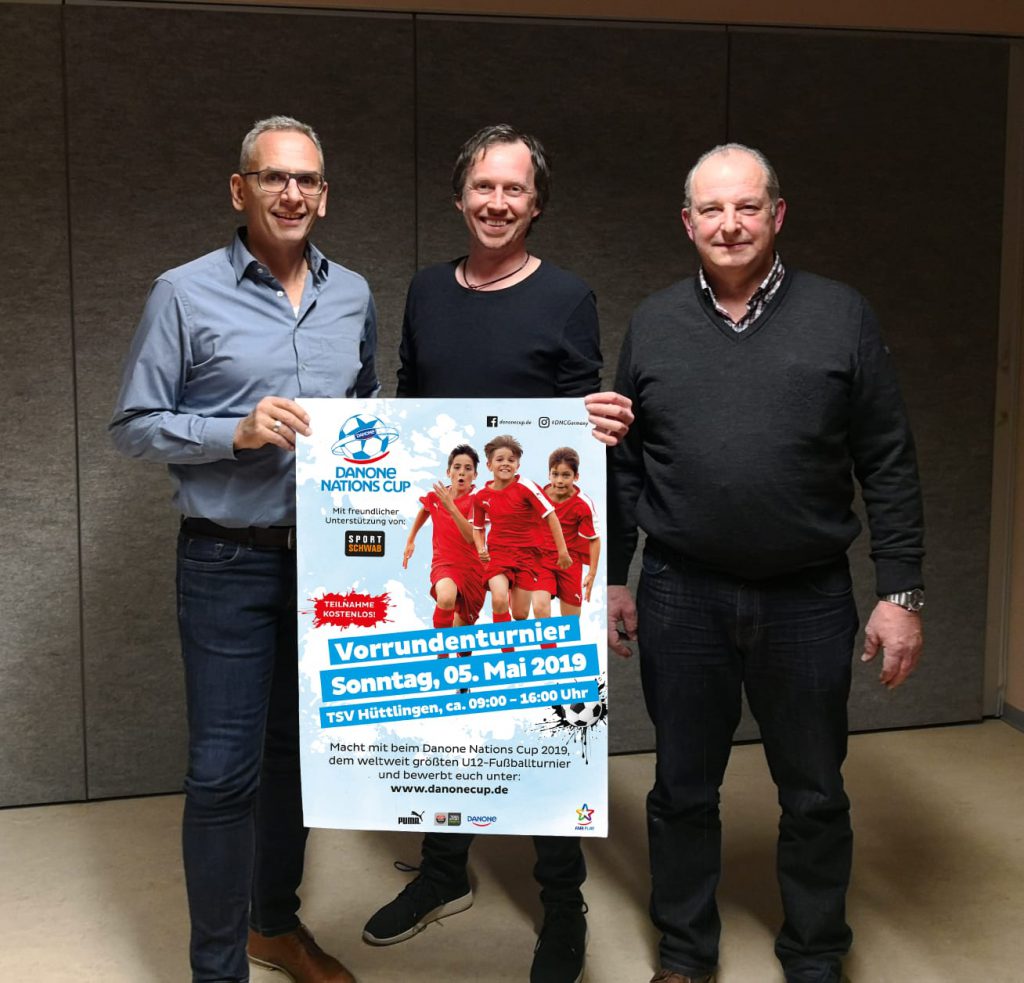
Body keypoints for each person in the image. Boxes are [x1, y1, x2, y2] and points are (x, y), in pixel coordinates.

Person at [606, 143, 925, 983]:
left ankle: (816, 952)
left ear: (777, 215)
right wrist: (611, 576)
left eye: (747, 206)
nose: (729, 223)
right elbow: (627, 465)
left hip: (807, 598)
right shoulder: (656, 321)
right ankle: (684, 952)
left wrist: (900, 592)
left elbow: (887, 458)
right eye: (711, 210)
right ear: (687, 224)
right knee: (681, 790)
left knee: (815, 793)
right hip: (681, 594)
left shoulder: (841, 314)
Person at [110, 116, 376, 983]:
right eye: (273, 178)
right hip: (226, 561)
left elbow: (366, 407)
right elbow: (135, 425)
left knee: (301, 761)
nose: (291, 193)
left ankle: (275, 926)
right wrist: (235, 430)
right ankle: (217, 968)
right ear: (240, 189)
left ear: (325, 195)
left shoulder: (354, 296)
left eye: (306, 180)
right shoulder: (181, 293)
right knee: (223, 774)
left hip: (330, 567)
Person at [364, 123, 632, 983]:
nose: (497, 202)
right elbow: (409, 413)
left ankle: (564, 904)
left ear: (537, 203)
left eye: (514, 189)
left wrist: (595, 434)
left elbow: (576, 443)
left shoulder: (568, 297)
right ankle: (443, 873)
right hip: (457, 541)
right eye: (483, 186)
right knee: (449, 715)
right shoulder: (424, 291)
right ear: (459, 195)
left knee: (541, 721)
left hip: (525, 546)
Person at [472, 434, 572, 627]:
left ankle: (514, 591)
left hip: (528, 557)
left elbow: (551, 516)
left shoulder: (526, 487)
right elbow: (478, 528)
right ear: (489, 465)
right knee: (499, 599)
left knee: (520, 614)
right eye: (499, 459)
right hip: (498, 555)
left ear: (518, 465)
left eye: (511, 460)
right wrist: (480, 548)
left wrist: (563, 551)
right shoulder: (481, 497)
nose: (506, 464)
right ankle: (506, 650)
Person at [404, 443, 485, 630]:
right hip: (444, 563)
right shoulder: (437, 496)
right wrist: (410, 540)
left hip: (473, 570)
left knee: (462, 639)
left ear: (475, 475)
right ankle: (442, 656)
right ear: (449, 472)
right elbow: (426, 509)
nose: (461, 472)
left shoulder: (478, 500)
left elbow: (471, 537)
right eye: (457, 467)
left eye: (468, 468)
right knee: (446, 597)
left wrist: (452, 507)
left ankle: (460, 653)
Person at [541, 446, 601, 618]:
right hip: (542, 558)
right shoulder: (539, 496)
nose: (559, 480)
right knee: (540, 605)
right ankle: (547, 644)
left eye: (566, 475)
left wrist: (591, 573)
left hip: (569, 561)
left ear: (576, 477)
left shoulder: (582, 504)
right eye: (555, 474)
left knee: (570, 622)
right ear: (549, 475)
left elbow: (594, 539)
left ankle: (567, 644)